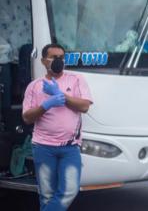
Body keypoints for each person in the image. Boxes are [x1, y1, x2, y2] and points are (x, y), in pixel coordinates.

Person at [22, 43, 93, 211]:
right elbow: (26, 118)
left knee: (70, 190)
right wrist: (45, 105)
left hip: (70, 147)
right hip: (43, 146)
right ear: (43, 61)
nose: (59, 61)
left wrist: (60, 95)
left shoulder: (76, 80)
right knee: (46, 194)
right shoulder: (34, 86)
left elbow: (84, 106)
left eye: (61, 57)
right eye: (54, 57)